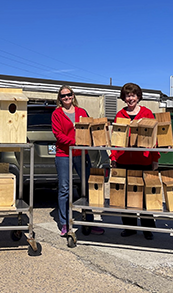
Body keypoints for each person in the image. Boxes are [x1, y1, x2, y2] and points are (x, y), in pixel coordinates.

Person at [51, 85, 104, 237]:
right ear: (59, 98)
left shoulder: (81, 112)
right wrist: (75, 142)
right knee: (64, 189)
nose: (66, 98)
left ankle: (88, 222)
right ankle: (64, 223)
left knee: (86, 187)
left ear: (73, 95)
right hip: (64, 154)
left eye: (68, 94)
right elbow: (58, 134)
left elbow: (89, 129)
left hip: (81, 154)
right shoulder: (57, 113)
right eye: (63, 96)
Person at [110, 83, 159, 240]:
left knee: (144, 195)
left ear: (138, 97)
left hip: (143, 159)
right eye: (127, 95)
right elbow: (116, 139)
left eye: (133, 95)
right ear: (123, 98)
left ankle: (147, 228)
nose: (130, 98)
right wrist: (113, 158)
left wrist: (155, 158)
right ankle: (129, 227)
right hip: (124, 159)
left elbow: (154, 138)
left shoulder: (147, 113)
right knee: (126, 194)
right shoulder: (120, 114)